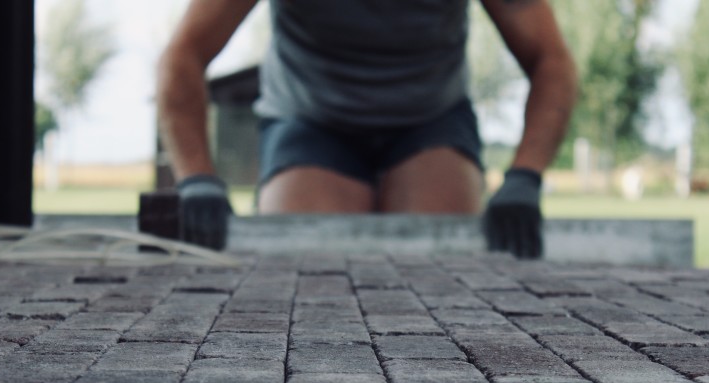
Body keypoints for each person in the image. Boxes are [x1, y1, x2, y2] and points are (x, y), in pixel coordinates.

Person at [156, 0, 577, 259]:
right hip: (309, 122)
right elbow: (184, 54)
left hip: (430, 120)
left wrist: (524, 176)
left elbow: (551, 59)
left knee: (443, 272)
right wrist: (197, 181)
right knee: (303, 276)